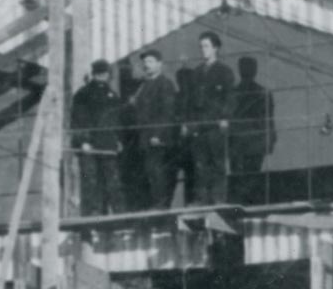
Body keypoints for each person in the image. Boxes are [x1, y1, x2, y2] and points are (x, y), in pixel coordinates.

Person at [177, 33, 236, 206]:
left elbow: (230, 98)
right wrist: (187, 123)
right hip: (199, 124)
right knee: (199, 163)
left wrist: (225, 117)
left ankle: (218, 199)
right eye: (201, 46)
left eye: (206, 46)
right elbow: (189, 100)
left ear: (215, 48)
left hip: (216, 124)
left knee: (217, 163)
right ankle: (201, 199)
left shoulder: (225, 71)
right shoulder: (196, 73)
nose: (203, 50)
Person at [69, 59, 126, 217]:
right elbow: (78, 120)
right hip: (90, 146)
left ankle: (119, 214)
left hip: (108, 144)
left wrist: (118, 140)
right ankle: (92, 215)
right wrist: (83, 141)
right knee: (90, 183)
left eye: (104, 74)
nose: (102, 77)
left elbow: (116, 120)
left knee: (112, 181)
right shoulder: (83, 95)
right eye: (100, 74)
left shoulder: (112, 96)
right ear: (95, 74)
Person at [125, 49, 179, 210]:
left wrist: (157, 134)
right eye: (145, 62)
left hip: (157, 138)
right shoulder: (144, 85)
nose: (146, 65)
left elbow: (167, 112)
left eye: (150, 62)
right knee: (150, 171)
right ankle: (155, 203)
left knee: (158, 172)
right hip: (145, 137)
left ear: (159, 64)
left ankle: (161, 204)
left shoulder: (165, 84)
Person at [228, 56, 276, 206]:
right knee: (253, 175)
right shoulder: (263, 92)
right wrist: (271, 138)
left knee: (240, 177)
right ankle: (249, 203)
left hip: (239, 142)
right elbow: (268, 118)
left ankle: (241, 204)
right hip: (254, 141)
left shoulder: (233, 93)